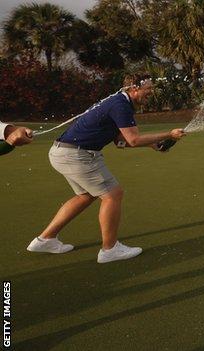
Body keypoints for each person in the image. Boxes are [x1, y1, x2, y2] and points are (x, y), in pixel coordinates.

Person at [27, 74, 186, 263]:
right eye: (148, 89)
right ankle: (109, 249)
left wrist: (153, 144)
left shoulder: (118, 102)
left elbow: (121, 141)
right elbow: (133, 140)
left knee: (86, 195)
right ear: (134, 88)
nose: (151, 93)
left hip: (63, 153)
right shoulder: (121, 105)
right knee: (113, 194)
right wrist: (169, 133)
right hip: (77, 155)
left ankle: (46, 239)